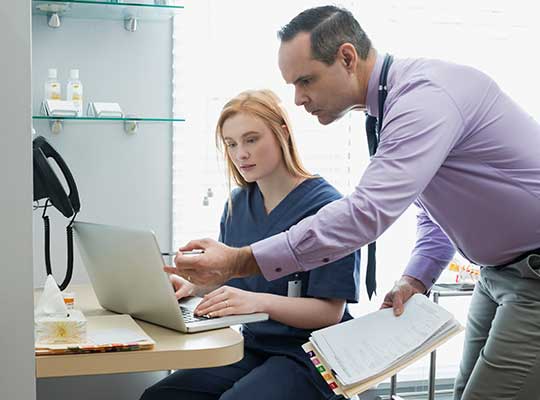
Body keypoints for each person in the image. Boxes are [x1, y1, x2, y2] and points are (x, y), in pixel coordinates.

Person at [169, 6, 540, 400]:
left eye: (306, 80)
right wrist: (417, 278)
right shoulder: (385, 114)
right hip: (499, 274)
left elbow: (365, 214)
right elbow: (434, 206)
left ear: (347, 57)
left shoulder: (423, 99)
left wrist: (241, 259)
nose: (297, 99)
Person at [142, 89, 360, 400]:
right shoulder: (238, 204)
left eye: (251, 139)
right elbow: (237, 278)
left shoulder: (328, 210)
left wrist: (260, 303)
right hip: (255, 345)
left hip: (315, 354)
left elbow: (330, 312)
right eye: (231, 144)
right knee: (161, 396)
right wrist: (194, 287)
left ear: (282, 133)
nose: (240, 153)